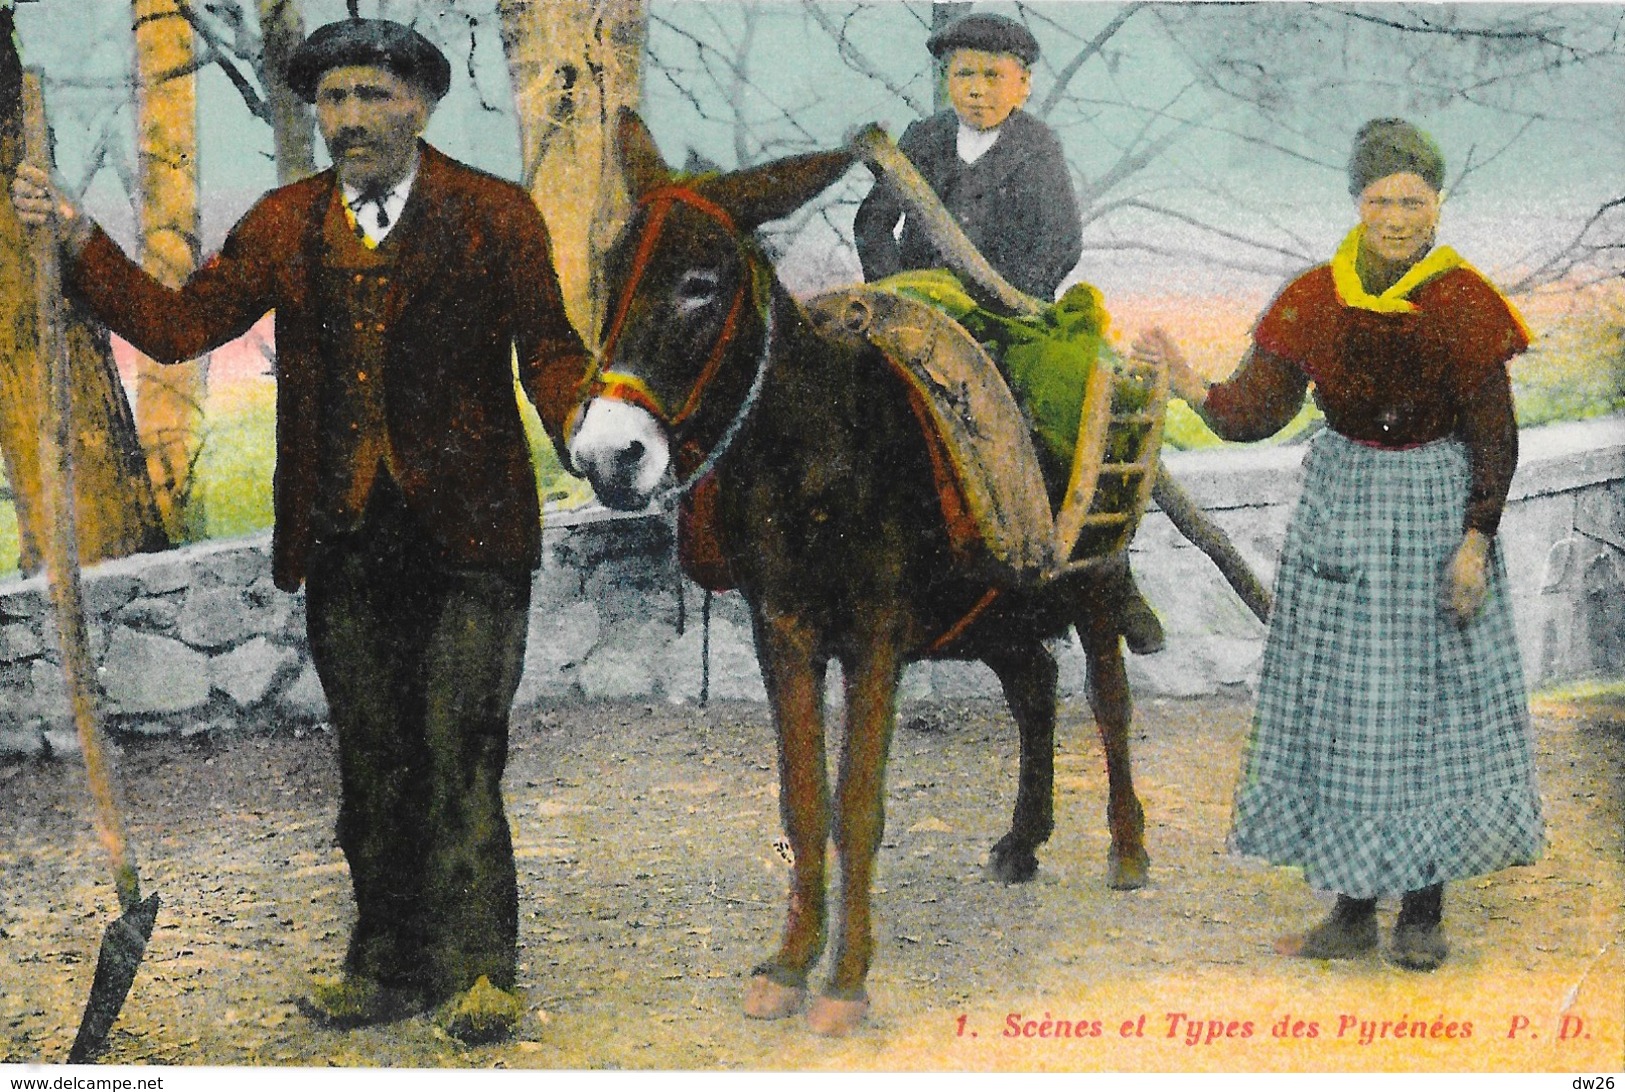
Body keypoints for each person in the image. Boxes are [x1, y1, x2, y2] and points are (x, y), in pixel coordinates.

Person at [12, 17, 590, 1039]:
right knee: (371, 758)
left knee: (460, 745)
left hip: (471, 538)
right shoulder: (284, 223)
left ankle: (480, 970)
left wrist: (589, 424)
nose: (351, 119)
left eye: (373, 96)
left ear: (420, 105)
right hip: (345, 537)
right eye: (333, 100)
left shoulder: (494, 214)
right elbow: (178, 327)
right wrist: (76, 240)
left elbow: (547, 350)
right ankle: (384, 969)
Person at [1133, 118, 1545, 971]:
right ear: (1355, 202)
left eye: (1411, 200)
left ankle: (1421, 910)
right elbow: (1255, 410)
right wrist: (1187, 384)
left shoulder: (1464, 300)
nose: (1395, 216)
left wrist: (1474, 542)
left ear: (1437, 204)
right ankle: (1352, 907)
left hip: (1432, 508)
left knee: (1428, 710)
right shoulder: (1313, 297)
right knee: (1349, 710)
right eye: (1378, 199)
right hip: (1340, 503)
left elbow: (1494, 435)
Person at [853, 12, 1162, 653]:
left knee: (1061, 394)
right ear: (946, 83)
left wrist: (1007, 292)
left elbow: (1061, 241)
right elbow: (873, 223)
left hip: (1010, 312)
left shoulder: (1037, 147)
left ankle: (1109, 574)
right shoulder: (923, 139)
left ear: (1021, 84)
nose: (977, 89)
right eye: (963, 74)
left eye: (993, 76)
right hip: (919, 306)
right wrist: (892, 287)